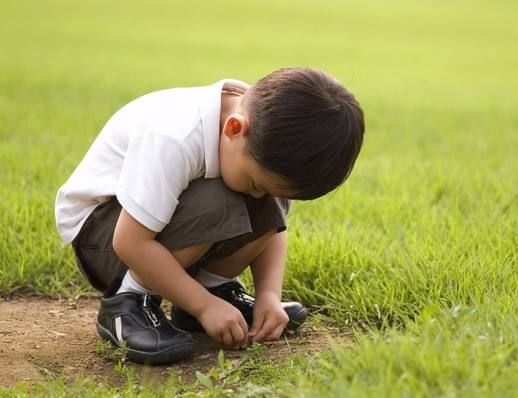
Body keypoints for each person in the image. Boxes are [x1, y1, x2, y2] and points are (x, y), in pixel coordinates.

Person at [55, 67, 365, 364]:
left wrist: (269, 296)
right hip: (103, 235)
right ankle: (128, 302)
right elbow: (130, 243)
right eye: (256, 183)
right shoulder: (173, 138)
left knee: (265, 201)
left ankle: (210, 290)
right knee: (221, 201)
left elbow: (274, 225)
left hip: (152, 230)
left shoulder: (258, 124)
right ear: (234, 128)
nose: (258, 195)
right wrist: (205, 307)